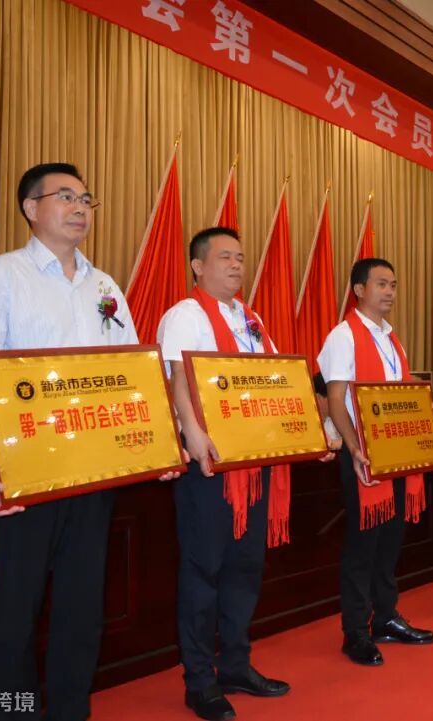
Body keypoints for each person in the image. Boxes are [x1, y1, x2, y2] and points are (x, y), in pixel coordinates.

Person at [0, 162, 180, 721]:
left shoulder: (104, 286)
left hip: (93, 470)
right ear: (31, 209)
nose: (80, 208)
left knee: (82, 608)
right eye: (65, 197)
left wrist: (157, 444)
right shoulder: (0, 276)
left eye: (86, 199)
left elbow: (131, 372)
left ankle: (70, 710)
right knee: (15, 610)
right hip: (25, 471)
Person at [158, 227, 294, 720]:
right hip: (210, 462)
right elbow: (178, 377)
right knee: (203, 571)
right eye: (225, 257)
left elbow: (276, 380)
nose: (237, 265)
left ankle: (236, 664)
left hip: (252, 462)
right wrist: (192, 433)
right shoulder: (186, 315)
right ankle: (199, 680)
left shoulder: (251, 319)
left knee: (244, 568)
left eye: (240, 257)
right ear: (198, 266)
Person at [319, 258, 433, 666]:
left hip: (397, 455)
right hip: (363, 456)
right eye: (381, 283)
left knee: (390, 542)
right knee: (362, 547)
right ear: (359, 290)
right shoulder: (343, 337)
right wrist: (354, 449)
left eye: (394, 284)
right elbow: (336, 399)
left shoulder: (391, 338)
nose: (390, 291)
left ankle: (385, 617)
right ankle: (355, 631)